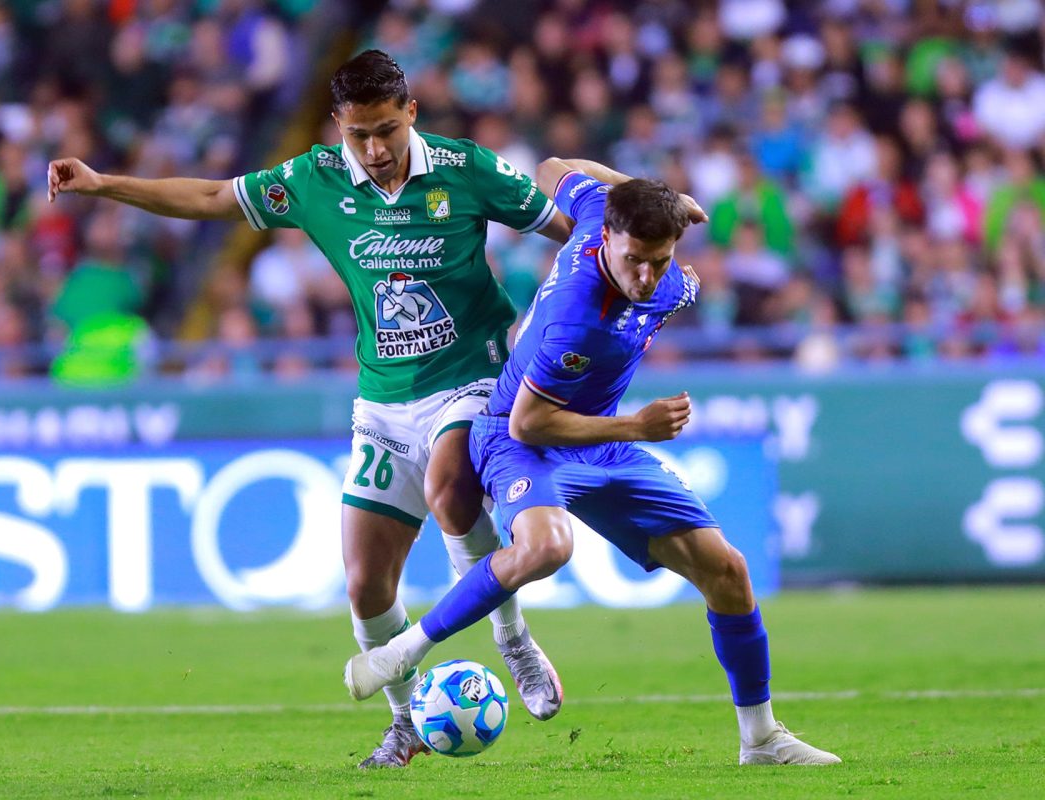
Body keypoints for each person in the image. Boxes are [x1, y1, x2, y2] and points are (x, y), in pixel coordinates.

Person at [46, 50, 575, 769]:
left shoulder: (467, 167)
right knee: (364, 583)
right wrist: (106, 185)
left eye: (388, 128)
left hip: (469, 383)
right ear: (339, 126)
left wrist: (643, 265)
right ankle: (405, 723)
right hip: (384, 402)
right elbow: (211, 200)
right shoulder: (313, 180)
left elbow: (570, 230)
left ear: (412, 112)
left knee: (452, 486)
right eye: (361, 135)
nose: (377, 148)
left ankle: (512, 637)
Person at [344, 159, 842, 766]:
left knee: (729, 574)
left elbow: (556, 167)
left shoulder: (601, 218)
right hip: (517, 438)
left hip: (599, 441)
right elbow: (530, 421)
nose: (645, 276)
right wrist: (640, 425)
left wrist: (659, 195)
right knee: (548, 547)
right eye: (634, 259)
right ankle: (405, 651)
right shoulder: (578, 320)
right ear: (608, 238)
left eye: (659, 261)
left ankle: (761, 740)